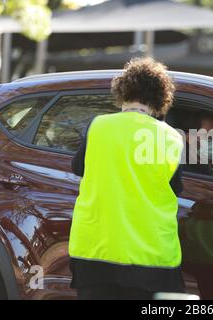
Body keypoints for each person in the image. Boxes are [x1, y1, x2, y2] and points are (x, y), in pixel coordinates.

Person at [69, 57, 185, 300]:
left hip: (95, 251)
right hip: (150, 257)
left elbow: (77, 167)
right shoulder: (171, 138)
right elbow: (176, 188)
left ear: (123, 91)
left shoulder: (98, 126)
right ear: (160, 98)